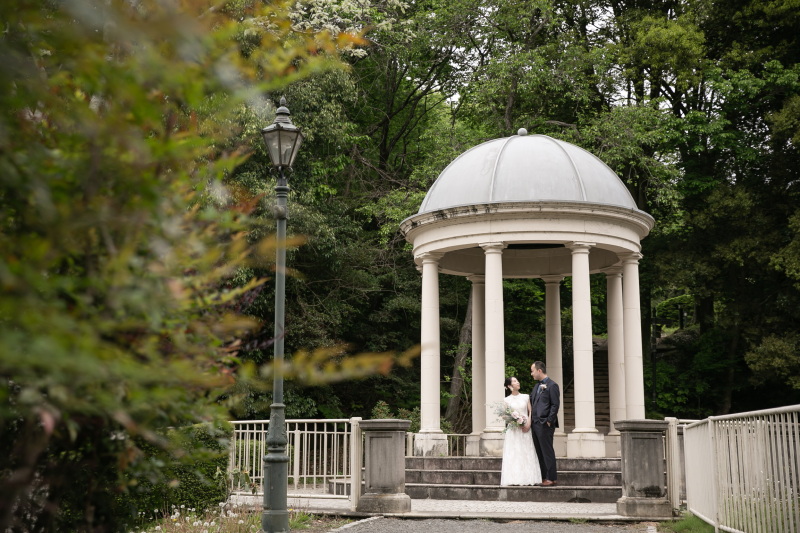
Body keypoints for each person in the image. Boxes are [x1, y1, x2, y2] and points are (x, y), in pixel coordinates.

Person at [499, 376, 542, 486]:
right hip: (513, 430)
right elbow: (504, 415)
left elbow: (530, 411)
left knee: (526, 451)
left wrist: (528, 423)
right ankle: (513, 479)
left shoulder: (526, 397)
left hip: (526, 428)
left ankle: (528, 478)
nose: (517, 382)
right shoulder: (506, 400)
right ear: (509, 386)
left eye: (517, 380)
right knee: (514, 452)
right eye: (514, 381)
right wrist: (514, 421)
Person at [530, 361, 560, 486]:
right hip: (535, 423)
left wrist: (549, 420)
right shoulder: (537, 386)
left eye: (532, 371)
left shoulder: (552, 385)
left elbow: (555, 404)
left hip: (545, 423)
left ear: (539, 370)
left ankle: (551, 477)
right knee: (539, 451)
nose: (531, 374)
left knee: (547, 451)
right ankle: (542, 476)